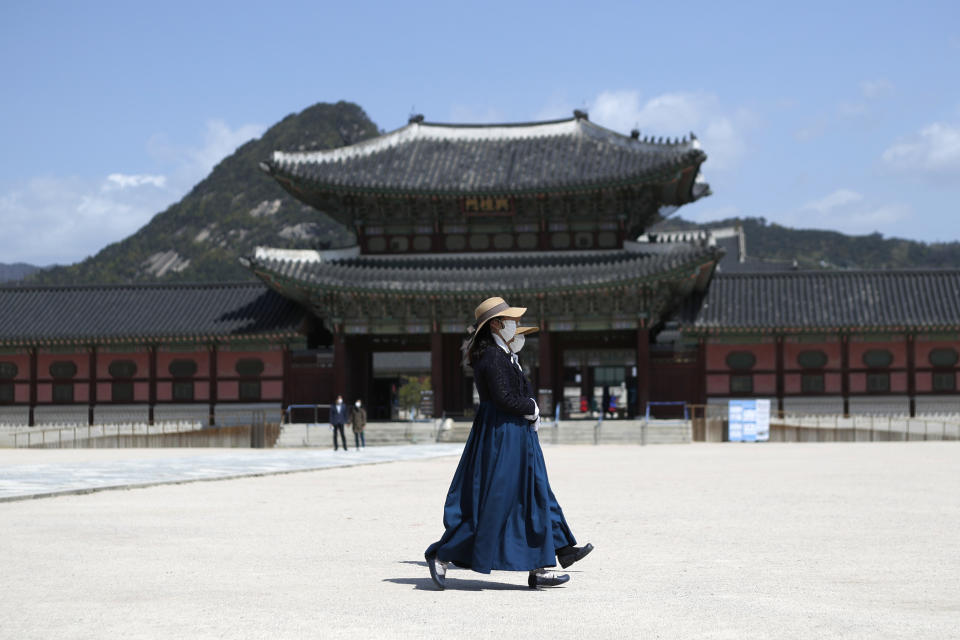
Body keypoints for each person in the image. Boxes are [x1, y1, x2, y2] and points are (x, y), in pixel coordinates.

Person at [425, 296, 593, 590]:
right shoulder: (491, 357)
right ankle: (441, 554)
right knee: (495, 499)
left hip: (517, 432)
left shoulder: (504, 357)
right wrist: (532, 408)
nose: (516, 326)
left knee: (534, 493)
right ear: (496, 324)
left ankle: (542, 564)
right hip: (502, 434)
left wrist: (529, 410)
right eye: (511, 321)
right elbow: (503, 398)